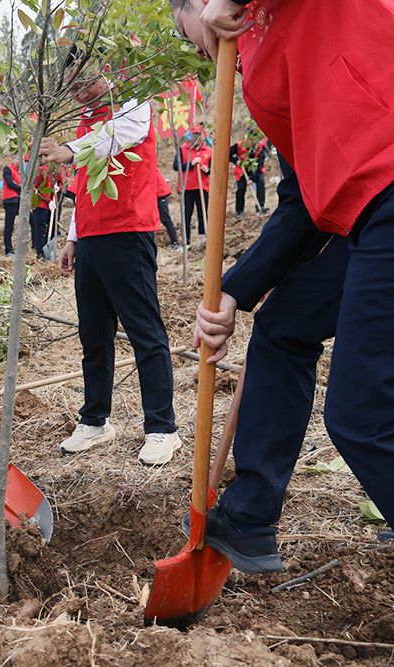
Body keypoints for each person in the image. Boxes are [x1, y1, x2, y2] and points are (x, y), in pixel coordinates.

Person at [172, 0, 394, 573]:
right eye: (201, 45)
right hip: (364, 219)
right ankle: (248, 517)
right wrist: (234, 291)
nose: (205, 51)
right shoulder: (257, 72)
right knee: (282, 325)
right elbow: (303, 199)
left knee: (362, 414)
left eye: (194, 29)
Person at [39, 60, 181, 466]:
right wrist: (72, 238)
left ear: (105, 69)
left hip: (128, 232)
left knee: (144, 332)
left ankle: (161, 427)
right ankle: (95, 420)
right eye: (71, 86)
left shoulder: (131, 102)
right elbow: (85, 180)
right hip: (92, 239)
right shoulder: (87, 118)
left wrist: (68, 149)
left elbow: (115, 138)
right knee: (93, 336)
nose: (79, 91)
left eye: (84, 80)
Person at [172, 130, 212, 245]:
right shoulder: (183, 150)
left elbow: (213, 169)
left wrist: (207, 170)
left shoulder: (209, 151)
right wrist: (191, 163)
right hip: (187, 188)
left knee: (203, 212)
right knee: (187, 214)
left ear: (203, 137)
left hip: (202, 187)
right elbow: (176, 166)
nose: (197, 138)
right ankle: (186, 242)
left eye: (199, 135)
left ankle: (203, 239)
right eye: (194, 135)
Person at [30, 163, 53, 259]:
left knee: (47, 228)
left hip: (49, 204)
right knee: (40, 229)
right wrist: (48, 201)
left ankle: (45, 249)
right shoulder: (41, 171)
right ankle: (40, 252)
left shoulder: (53, 171)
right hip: (41, 205)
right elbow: (37, 189)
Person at [155, 168, 182, 249]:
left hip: (160, 194)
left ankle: (175, 243)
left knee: (165, 219)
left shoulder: (148, 166)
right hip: (152, 195)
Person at [2, 161, 22, 255]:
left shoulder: (19, 172)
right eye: (18, 159)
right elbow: (10, 184)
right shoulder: (8, 169)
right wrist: (22, 189)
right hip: (9, 200)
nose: (19, 162)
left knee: (32, 219)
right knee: (9, 225)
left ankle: (33, 246)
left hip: (18, 199)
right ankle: (8, 249)